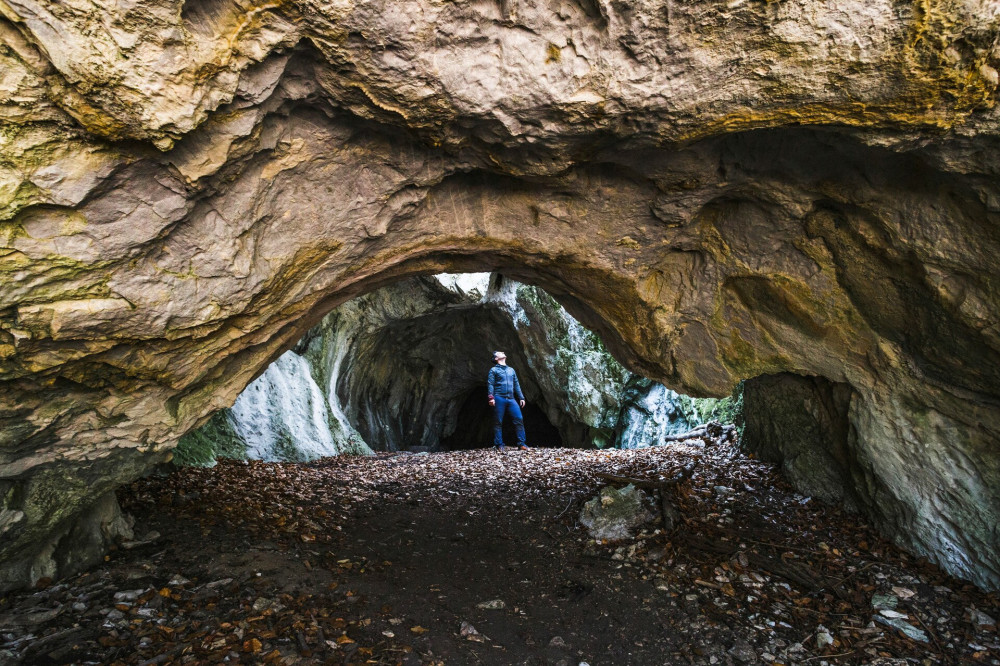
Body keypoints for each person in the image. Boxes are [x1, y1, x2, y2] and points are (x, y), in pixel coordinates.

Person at [487, 351, 529, 452]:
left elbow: (516, 384)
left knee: (519, 418)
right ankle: (499, 445)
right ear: (496, 358)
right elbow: (490, 384)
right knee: (498, 421)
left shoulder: (511, 370)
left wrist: (521, 397)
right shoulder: (493, 370)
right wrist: (491, 397)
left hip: (511, 398)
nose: (503, 352)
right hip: (499, 397)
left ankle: (521, 444)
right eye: (500, 353)